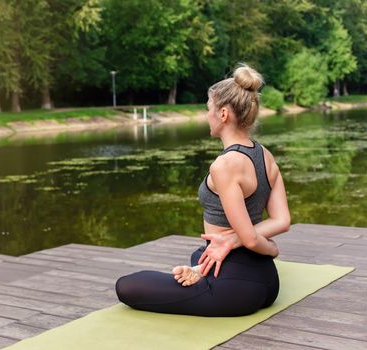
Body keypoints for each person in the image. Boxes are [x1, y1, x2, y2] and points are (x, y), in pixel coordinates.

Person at [115, 63, 291, 317]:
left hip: (234, 287)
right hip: (267, 281)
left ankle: (201, 277)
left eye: (207, 108)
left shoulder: (225, 165)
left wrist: (250, 243)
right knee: (199, 255)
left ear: (222, 114)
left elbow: (251, 239)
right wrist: (255, 244)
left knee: (128, 285)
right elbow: (282, 221)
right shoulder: (265, 155)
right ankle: (199, 272)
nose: (205, 114)